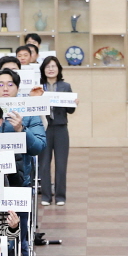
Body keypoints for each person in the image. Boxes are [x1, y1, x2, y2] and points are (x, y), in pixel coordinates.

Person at [38, 56, 73, 206]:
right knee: (44, 163)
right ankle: (46, 195)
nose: (51, 69)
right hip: (43, 128)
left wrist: (74, 102)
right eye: (47, 67)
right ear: (43, 70)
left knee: (61, 163)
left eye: (53, 66)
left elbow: (70, 110)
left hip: (60, 128)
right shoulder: (38, 87)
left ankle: (60, 196)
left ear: (58, 69)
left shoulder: (65, 86)